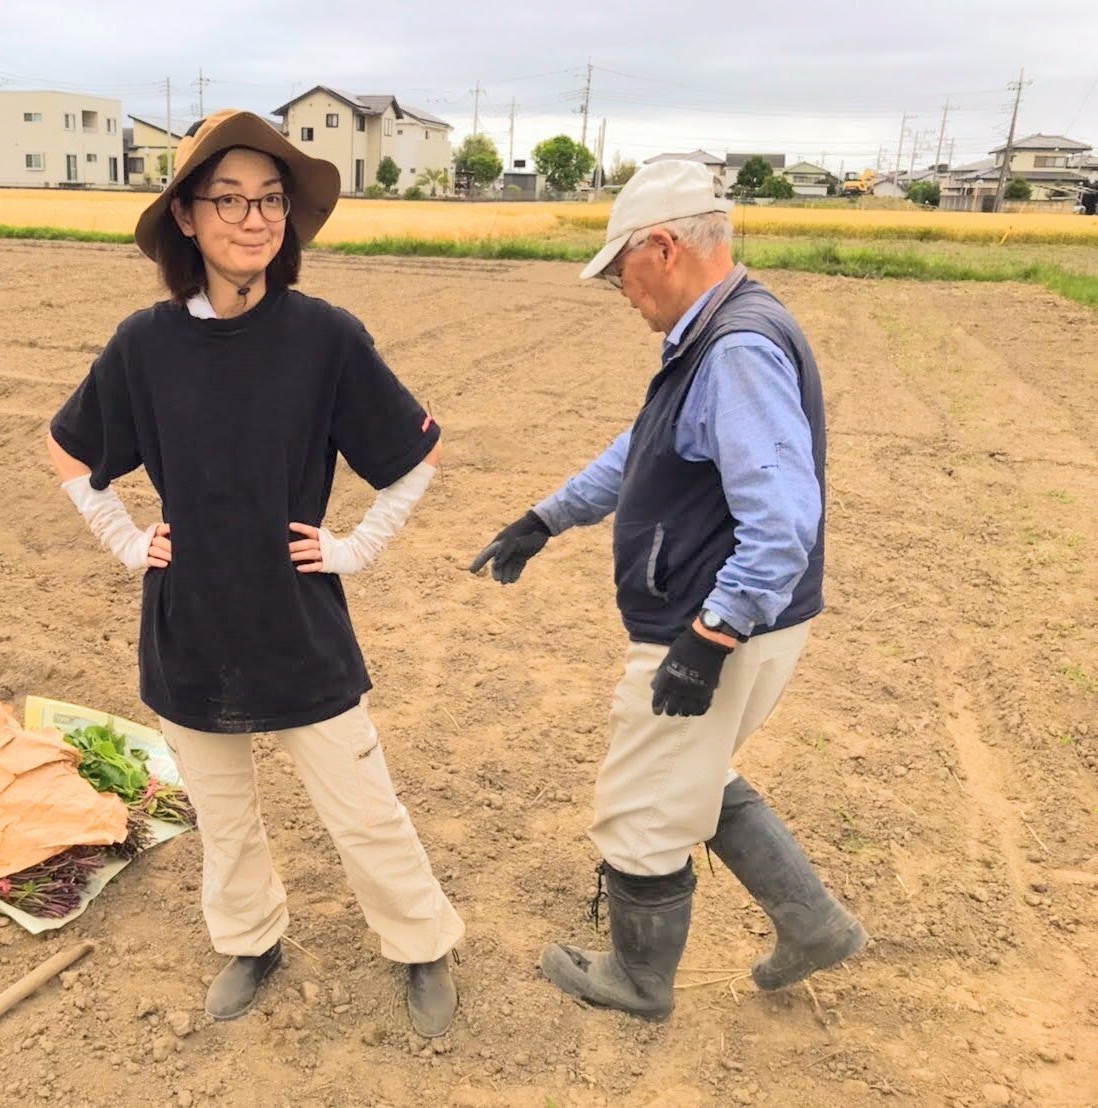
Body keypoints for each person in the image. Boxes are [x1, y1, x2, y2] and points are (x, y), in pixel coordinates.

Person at [45, 110, 463, 1037]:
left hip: (297, 625)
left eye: (270, 200)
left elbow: (415, 458)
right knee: (224, 819)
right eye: (228, 199)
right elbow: (70, 451)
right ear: (186, 219)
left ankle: (422, 943)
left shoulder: (324, 336)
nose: (253, 217)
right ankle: (250, 940)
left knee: (364, 808)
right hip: (188, 627)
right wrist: (125, 542)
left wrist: (351, 548)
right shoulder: (145, 345)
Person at [471, 160, 865, 1020]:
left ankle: (639, 980)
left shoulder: (736, 350)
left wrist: (708, 639)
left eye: (621, 268)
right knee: (689, 774)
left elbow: (785, 521)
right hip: (750, 619)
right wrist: (546, 518)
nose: (619, 287)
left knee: (640, 811)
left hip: (717, 621)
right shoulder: (714, 338)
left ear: (663, 246)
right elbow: (644, 449)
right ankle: (814, 924)